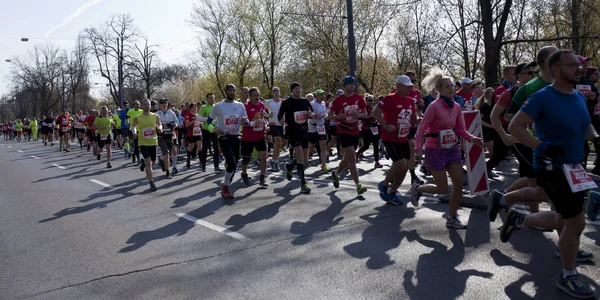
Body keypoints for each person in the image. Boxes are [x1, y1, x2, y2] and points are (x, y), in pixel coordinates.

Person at [505, 49, 597, 299]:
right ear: (556, 68)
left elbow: (585, 125)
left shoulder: (577, 95)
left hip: (575, 165)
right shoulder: (542, 96)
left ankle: (518, 218)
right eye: (573, 65)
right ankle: (568, 275)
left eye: (579, 65)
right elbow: (515, 126)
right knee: (575, 222)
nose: (579, 69)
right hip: (551, 166)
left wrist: (596, 137)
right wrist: (541, 146)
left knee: (564, 221)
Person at [410, 68, 485, 229]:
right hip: (435, 149)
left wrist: (473, 139)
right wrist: (418, 149)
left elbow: (461, 130)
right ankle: (418, 188)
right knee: (442, 188)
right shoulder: (434, 107)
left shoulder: (457, 107)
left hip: (452, 148)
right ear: (439, 90)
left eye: (452, 85)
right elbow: (421, 128)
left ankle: (452, 217)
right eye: (446, 87)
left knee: (458, 183)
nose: (451, 88)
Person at [373, 75, 417, 205]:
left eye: (410, 87)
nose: (409, 89)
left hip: (403, 136)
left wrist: (414, 123)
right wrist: (386, 124)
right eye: (406, 86)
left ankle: (393, 192)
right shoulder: (388, 99)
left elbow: (413, 117)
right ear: (398, 86)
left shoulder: (410, 101)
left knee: (406, 166)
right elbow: (375, 113)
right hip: (390, 137)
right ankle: (384, 185)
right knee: (400, 164)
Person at [328, 76, 368, 196]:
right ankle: (358, 185)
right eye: (350, 84)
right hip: (344, 130)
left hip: (355, 130)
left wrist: (359, 115)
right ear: (344, 86)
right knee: (352, 158)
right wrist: (338, 117)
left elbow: (365, 113)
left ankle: (336, 174)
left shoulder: (358, 98)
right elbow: (330, 115)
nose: (352, 85)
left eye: (353, 83)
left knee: (346, 159)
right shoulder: (338, 100)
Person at [208, 84, 248, 199]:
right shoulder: (219, 106)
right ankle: (225, 187)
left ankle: (227, 178)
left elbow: (244, 121)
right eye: (229, 90)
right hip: (224, 137)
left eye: (233, 90)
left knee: (234, 162)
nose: (232, 92)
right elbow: (209, 121)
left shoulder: (240, 105)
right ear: (225, 92)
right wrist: (214, 128)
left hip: (236, 137)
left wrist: (245, 121)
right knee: (231, 162)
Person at [278, 82, 313, 194]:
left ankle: (289, 166)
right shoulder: (287, 102)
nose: (298, 90)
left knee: (304, 159)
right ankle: (303, 183)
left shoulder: (305, 101)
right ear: (292, 90)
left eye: (299, 88)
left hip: (304, 131)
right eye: (296, 88)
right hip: (293, 132)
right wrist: (281, 120)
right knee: (299, 156)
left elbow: (310, 112)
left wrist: (310, 115)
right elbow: (280, 114)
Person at [240, 87, 269, 188]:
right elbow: (242, 122)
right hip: (248, 137)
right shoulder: (245, 106)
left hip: (260, 135)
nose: (257, 97)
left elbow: (262, 117)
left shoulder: (261, 105)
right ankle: (244, 173)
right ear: (250, 96)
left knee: (263, 157)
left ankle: (262, 177)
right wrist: (252, 123)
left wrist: (265, 125)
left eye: (258, 95)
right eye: (255, 95)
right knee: (246, 159)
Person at [132, 99, 162, 192]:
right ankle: (151, 183)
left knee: (153, 162)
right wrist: (134, 133)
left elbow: (159, 124)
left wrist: (160, 129)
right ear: (142, 106)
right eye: (144, 104)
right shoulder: (138, 117)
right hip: (143, 142)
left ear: (150, 106)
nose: (146, 106)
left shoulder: (155, 116)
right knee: (149, 162)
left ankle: (143, 163)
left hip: (153, 141)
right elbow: (133, 126)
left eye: (148, 104)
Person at [307, 89, 330, 171]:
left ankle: (324, 165)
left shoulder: (324, 103)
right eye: (320, 95)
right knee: (311, 145)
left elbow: (324, 113)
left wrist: (326, 116)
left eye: (323, 94)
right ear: (316, 96)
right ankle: (306, 159)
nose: (322, 96)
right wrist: (316, 117)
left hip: (321, 127)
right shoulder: (312, 104)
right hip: (312, 127)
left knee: (323, 145)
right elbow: (308, 114)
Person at [156, 98, 178, 178]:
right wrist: (159, 127)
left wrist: (171, 125)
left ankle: (166, 163)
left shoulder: (172, 113)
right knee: (166, 153)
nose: (164, 105)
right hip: (161, 136)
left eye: (166, 103)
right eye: (162, 103)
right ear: (160, 105)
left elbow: (176, 122)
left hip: (171, 135)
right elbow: (154, 124)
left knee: (173, 151)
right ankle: (168, 172)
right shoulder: (157, 114)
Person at [199, 93, 220, 172]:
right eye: (210, 98)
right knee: (204, 148)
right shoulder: (203, 107)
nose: (212, 99)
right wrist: (208, 119)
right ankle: (203, 165)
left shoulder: (216, 107)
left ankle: (216, 166)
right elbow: (199, 118)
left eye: (213, 98)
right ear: (206, 99)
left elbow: (219, 117)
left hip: (215, 130)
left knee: (216, 149)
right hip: (206, 130)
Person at [265, 87, 284, 171]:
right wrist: (267, 115)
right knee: (278, 140)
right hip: (272, 124)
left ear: (279, 93)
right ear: (272, 93)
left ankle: (275, 160)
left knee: (279, 144)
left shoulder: (283, 102)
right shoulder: (268, 102)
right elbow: (260, 109)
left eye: (277, 91)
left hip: (280, 124)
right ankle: (274, 160)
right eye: (274, 91)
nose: (276, 93)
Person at [476, 87, 496, 157]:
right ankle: (476, 156)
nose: (493, 94)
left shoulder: (494, 105)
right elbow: (479, 120)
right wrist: (489, 125)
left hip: (494, 131)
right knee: (492, 153)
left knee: (496, 152)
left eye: (494, 92)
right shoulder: (484, 106)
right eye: (491, 93)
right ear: (487, 95)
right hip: (486, 131)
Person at [184, 103, 203, 170]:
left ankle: (201, 162)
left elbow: (201, 122)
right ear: (191, 108)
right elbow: (187, 125)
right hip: (191, 133)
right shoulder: (188, 115)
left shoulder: (198, 115)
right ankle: (188, 161)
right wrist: (193, 120)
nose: (196, 109)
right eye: (195, 107)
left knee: (200, 147)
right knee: (191, 148)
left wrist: (201, 123)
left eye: (196, 107)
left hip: (198, 132)